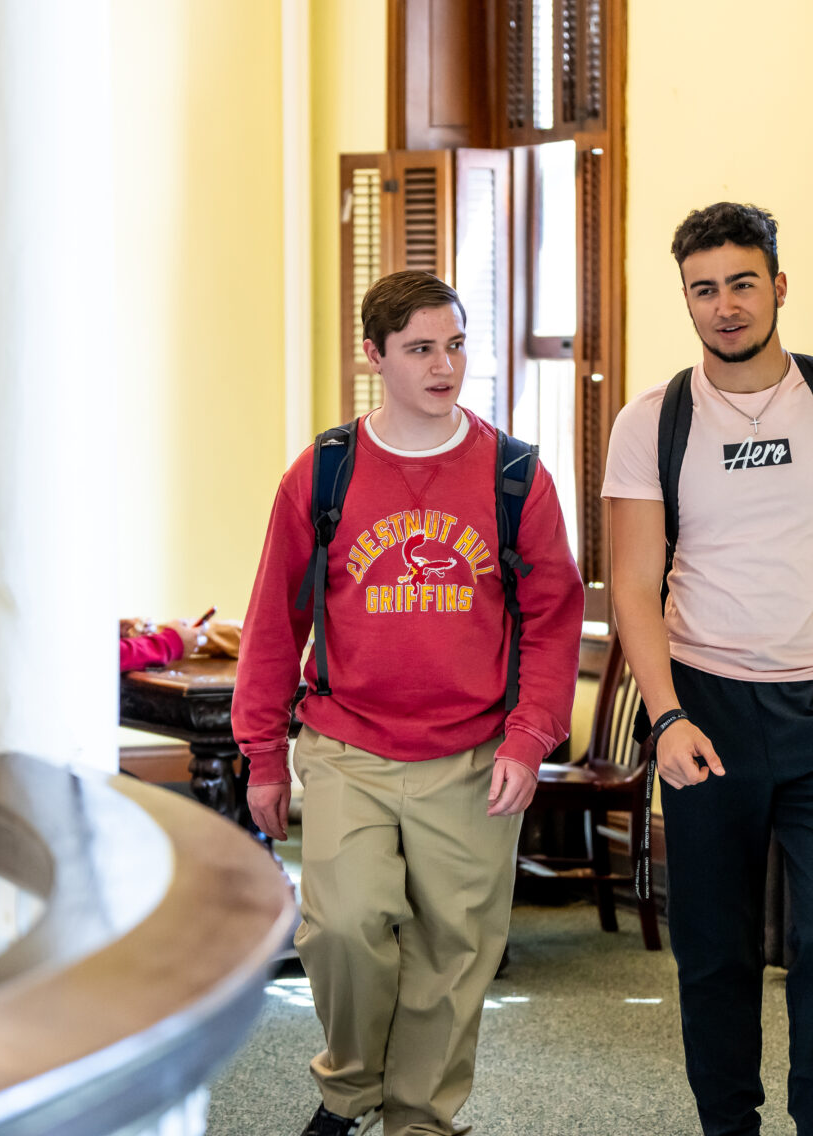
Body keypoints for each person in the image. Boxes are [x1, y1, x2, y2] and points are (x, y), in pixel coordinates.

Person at [234, 270, 583, 1136]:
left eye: (456, 345)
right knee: (345, 927)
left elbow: (552, 619)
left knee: (452, 957)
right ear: (375, 357)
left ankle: (420, 1120)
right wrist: (263, 755)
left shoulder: (514, 477)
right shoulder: (325, 473)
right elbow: (275, 621)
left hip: (472, 756)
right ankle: (349, 1088)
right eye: (421, 349)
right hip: (348, 741)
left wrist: (528, 737)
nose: (444, 366)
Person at [602, 203, 813, 1136]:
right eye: (705, 289)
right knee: (714, 951)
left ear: (779, 286)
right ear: (687, 301)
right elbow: (632, 583)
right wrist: (665, 719)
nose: (726, 306)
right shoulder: (652, 421)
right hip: (704, 712)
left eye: (743, 283)